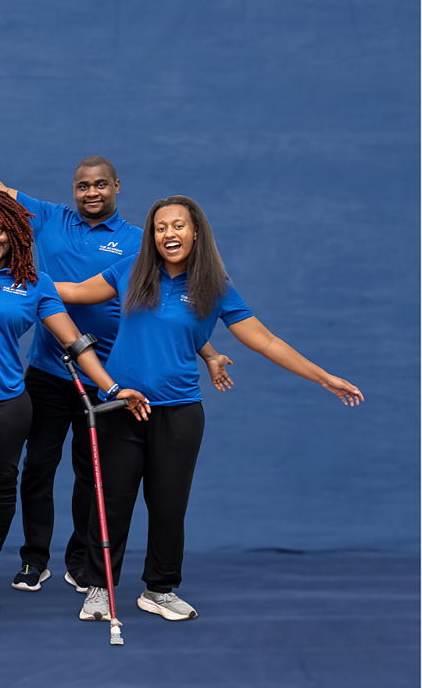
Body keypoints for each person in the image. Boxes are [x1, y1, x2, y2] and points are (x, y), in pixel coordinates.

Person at [0, 136, 233, 593]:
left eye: (100, 185)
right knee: (37, 468)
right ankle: (34, 559)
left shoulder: (138, 241)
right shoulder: (51, 218)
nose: (92, 192)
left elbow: (169, 309)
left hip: (106, 374)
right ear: (74, 190)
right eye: (83, 186)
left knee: (94, 476)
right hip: (48, 370)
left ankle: (80, 562)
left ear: (116, 187)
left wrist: (206, 352)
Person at [53, 196, 362, 623]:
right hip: (122, 408)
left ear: (196, 231)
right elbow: (72, 292)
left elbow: (265, 340)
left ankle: (159, 590)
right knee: (110, 504)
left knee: (168, 505)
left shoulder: (214, 287)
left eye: (178, 225)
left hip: (179, 413)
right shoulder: (130, 270)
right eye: (161, 227)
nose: (169, 234)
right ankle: (100, 588)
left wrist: (322, 377)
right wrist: (16, 276)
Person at [0, 189, 146, 627]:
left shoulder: (36, 284)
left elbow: (74, 342)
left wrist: (112, 387)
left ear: (15, 232)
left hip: (8, 405)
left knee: (3, 493)